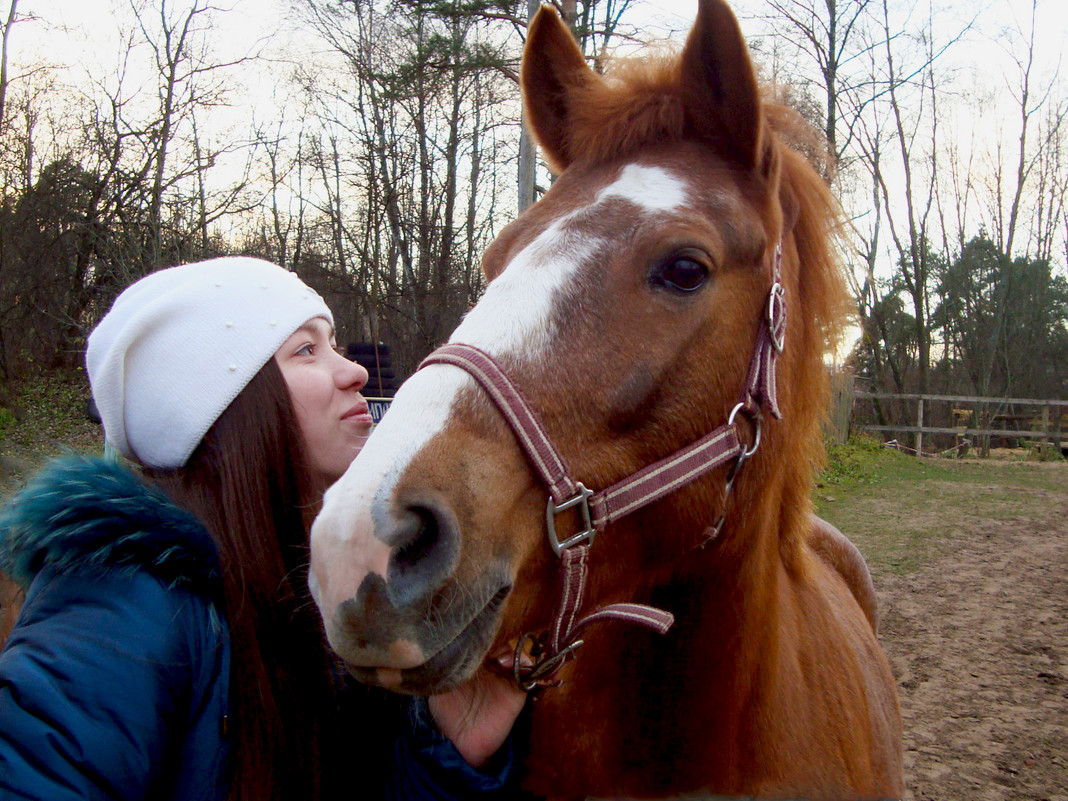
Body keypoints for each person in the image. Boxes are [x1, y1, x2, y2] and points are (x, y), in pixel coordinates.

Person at [0, 257, 527, 801]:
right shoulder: (119, 610)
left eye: (334, 344)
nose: (355, 371)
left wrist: (452, 744)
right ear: (225, 406)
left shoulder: (307, 588)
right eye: (306, 350)